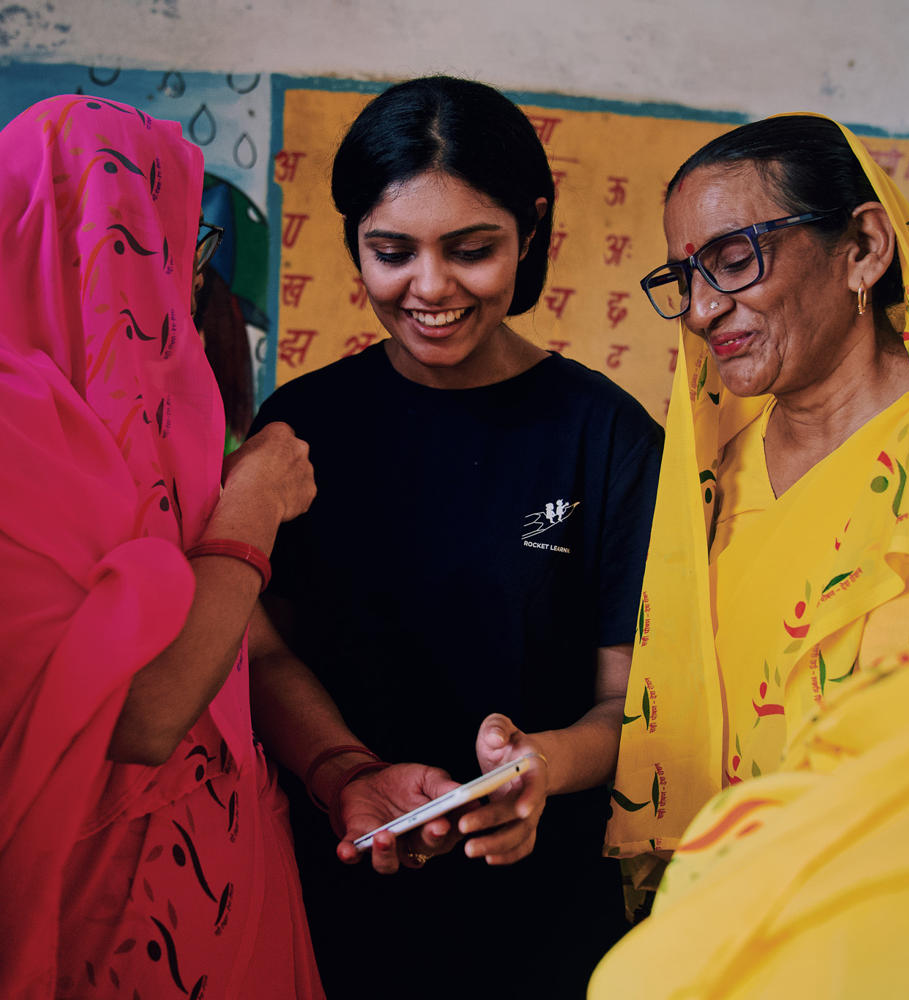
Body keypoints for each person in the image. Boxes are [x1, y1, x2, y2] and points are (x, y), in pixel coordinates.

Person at [0, 94, 457, 1000]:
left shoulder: (154, 430)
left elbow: (247, 646)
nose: (177, 283)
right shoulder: (21, 432)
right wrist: (253, 505)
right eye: (158, 245)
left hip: (222, 888)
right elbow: (143, 714)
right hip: (101, 927)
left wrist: (343, 769)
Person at [250, 75, 663, 998]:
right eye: (391, 252)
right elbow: (264, 650)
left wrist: (540, 767)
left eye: (472, 250)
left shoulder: (608, 439)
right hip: (334, 887)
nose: (430, 288)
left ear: (531, 230)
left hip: (544, 913)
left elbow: (626, 702)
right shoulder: (302, 427)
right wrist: (344, 770)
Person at [589, 128, 909, 998]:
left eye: (734, 259)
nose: (701, 311)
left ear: (863, 249)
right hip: (744, 939)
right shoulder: (707, 483)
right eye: (685, 278)